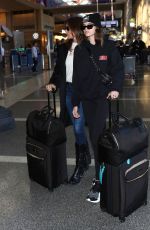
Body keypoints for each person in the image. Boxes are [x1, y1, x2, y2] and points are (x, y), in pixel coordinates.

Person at [72, 13, 124, 203]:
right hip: (87, 99)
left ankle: (99, 181)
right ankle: (105, 170)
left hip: (102, 98)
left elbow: (118, 69)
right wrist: (76, 103)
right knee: (98, 137)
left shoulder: (108, 46)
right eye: (84, 26)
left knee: (95, 137)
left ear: (97, 27)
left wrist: (116, 88)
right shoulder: (80, 50)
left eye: (89, 26)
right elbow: (76, 79)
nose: (85, 29)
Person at [46, 17, 91, 185]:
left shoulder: (87, 47)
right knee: (76, 128)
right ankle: (85, 158)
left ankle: (81, 164)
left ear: (76, 29)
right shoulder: (64, 47)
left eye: (67, 28)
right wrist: (53, 83)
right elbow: (59, 70)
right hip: (68, 91)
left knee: (79, 128)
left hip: (83, 92)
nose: (65, 31)